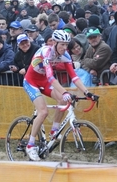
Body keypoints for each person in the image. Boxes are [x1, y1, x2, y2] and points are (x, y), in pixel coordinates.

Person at [23, 30, 97, 161]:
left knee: (63, 100)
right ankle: (30, 145)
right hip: (31, 81)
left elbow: (74, 77)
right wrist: (64, 91)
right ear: (55, 43)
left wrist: (87, 92)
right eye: (62, 44)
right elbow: (51, 77)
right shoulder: (46, 52)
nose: (64, 47)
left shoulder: (65, 55)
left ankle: (54, 131)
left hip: (43, 81)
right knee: (43, 112)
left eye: (66, 44)